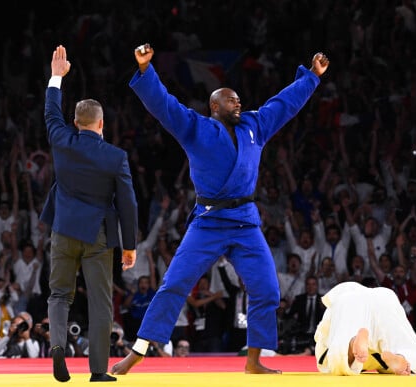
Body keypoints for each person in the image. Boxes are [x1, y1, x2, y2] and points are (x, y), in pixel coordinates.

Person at [111, 43, 329, 376]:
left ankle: (254, 360)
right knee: (174, 284)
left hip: (245, 222)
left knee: (267, 289)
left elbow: (284, 104)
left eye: (239, 98)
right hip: (209, 221)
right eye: (230, 98)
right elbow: (164, 105)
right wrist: (145, 70)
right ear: (215, 106)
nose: (238, 101)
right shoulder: (196, 128)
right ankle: (138, 351)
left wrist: (312, 77)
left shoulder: (254, 125)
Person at [42, 45, 138, 383]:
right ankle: (98, 371)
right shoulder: (116, 156)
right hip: (98, 236)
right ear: (101, 124)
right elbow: (128, 203)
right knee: (100, 302)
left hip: (63, 229)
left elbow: (51, 112)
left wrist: (57, 76)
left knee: (59, 295)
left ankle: (57, 347)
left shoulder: (61, 138)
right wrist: (129, 246)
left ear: (75, 122)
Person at [314, 282, 416, 376]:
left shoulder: (347, 295)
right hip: (385, 299)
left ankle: (352, 343)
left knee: (335, 358)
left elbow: (323, 336)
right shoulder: (382, 295)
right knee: (408, 350)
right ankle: (401, 357)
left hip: (350, 299)